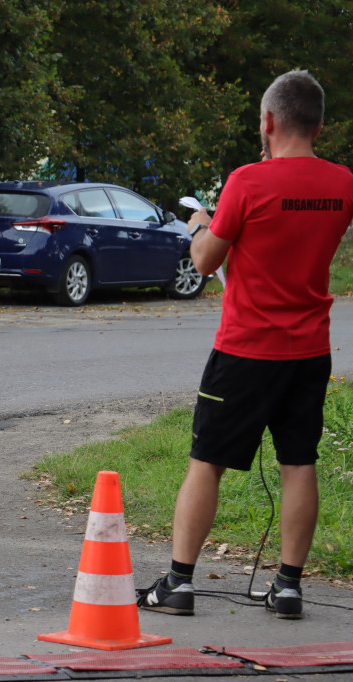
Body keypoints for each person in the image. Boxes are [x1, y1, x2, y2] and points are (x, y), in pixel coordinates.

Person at [137, 70, 353, 619]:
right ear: (320, 126)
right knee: (298, 462)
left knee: (206, 461)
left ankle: (179, 583)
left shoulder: (247, 183)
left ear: (269, 121)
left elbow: (207, 261)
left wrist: (198, 226)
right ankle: (288, 587)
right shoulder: (342, 184)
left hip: (245, 350)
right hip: (309, 351)